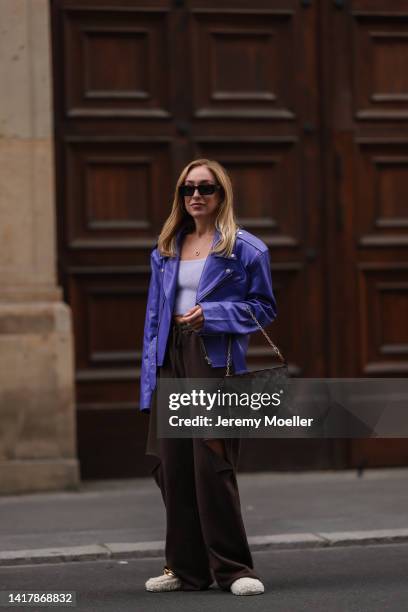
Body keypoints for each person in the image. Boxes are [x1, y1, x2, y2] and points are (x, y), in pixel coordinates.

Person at [139, 158, 277, 595]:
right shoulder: (165, 248)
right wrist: (149, 380)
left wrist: (214, 315)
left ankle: (234, 569)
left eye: (206, 187)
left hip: (212, 359)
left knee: (211, 462)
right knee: (172, 465)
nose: (195, 195)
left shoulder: (245, 249)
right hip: (170, 357)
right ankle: (186, 569)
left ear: (222, 194)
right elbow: (153, 318)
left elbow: (264, 308)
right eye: (187, 189)